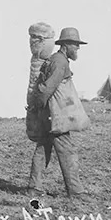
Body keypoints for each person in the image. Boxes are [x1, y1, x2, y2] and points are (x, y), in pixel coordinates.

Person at [27, 27, 89, 204]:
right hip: (56, 117)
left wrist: (38, 110)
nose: (77, 49)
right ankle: (76, 191)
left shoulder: (56, 59)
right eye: (75, 45)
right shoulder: (60, 62)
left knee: (42, 150)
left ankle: (34, 187)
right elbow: (48, 88)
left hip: (48, 115)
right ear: (66, 45)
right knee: (68, 151)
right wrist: (40, 106)